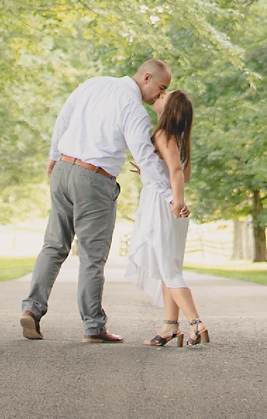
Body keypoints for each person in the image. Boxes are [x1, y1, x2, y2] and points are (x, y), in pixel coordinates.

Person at [18, 59, 186, 343]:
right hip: (94, 179)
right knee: (92, 256)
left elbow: (64, 117)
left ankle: (32, 309)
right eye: (161, 88)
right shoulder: (133, 108)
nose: (160, 95)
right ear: (147, 78)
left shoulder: (94, 83)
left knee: (54, 245)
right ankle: (93, 326)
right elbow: (144, 155)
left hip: (63, 171)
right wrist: (171, 196)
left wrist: (54, 155)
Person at [125, 88, 211, 345]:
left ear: (170, 108)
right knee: (168, 267)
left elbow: (175, 171)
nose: (157, 97)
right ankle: (169, 326)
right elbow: (182, 175)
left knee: (169, 269)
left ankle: (196, 323)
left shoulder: (163, 134)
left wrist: (177, 202)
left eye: (163, 96)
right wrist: (151, 173)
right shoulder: (183, 140)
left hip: (163, 205)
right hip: (171, 204)